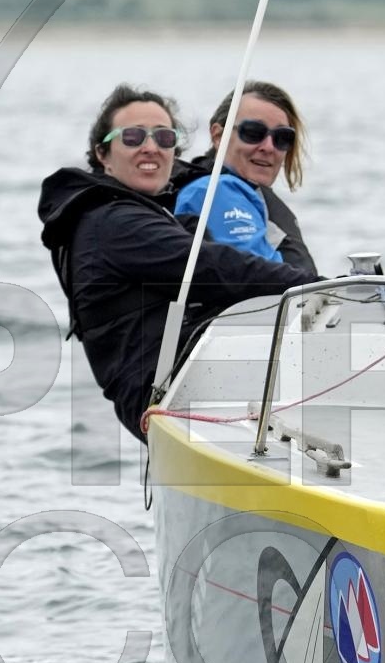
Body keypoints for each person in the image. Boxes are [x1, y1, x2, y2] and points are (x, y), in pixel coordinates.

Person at [38, 83, 315, 440]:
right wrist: (316, 286)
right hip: (167, 395)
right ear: (103, 154)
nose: (150, 146)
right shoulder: (113, 222)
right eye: (133, 137)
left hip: (199, 376)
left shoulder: (151, 209)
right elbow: (209, 267)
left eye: (164, 137)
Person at [170, 80, 317, 276]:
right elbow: (258, 281)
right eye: (253, 132)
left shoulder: (246, 194)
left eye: (282, 137)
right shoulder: (215, 191)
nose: (269, 147)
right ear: (218, 136)